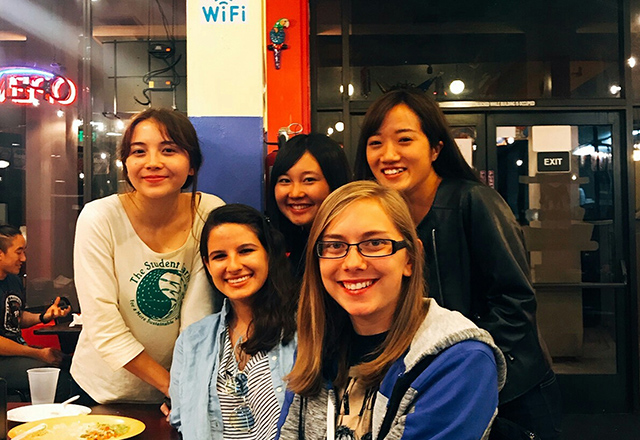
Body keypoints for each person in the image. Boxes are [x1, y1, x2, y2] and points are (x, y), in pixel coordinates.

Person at [354, 88, 561, 439]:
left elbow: (515, 303)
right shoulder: (379, 218)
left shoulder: (474, 202)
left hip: (507, 390)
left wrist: (461, 364)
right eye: (376, 143)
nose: (388, 155)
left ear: (436, 148)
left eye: (404, 140)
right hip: (425, 390)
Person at [277, 181, 506, 440]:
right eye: (335, 245)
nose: (352, 263)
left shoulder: (461, 361)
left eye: (374, 243)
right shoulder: (317, 344)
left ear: (410, 258)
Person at [71, 108, 224, 405]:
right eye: (138, 151)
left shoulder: (208, 212)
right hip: (102, 392)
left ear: (192, 164)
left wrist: (184, 387)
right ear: (126, 163)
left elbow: (198, 316)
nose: (153, 162)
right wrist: (173, 387)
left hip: (179, 389)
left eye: (169, 150)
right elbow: (102, 323)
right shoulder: (99, 217)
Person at [169, 204, 297, 440]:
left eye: (246, 251)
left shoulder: (305, 330)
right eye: (219, 256)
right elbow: (180, 419)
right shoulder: (192, 341)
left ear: (269, 254)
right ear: (207, 265)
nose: (234, 266)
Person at [0, 225, 71, 400]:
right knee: (59, 380)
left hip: (17, 352)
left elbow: (15, 316)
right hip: (3, 361)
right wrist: (38, 353)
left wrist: (44, 317)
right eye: (18, 252)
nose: (23, 258)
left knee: (72, 365)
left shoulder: (13, 280)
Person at [267, 133, 352, 279]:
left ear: (335, 183)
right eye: (285, 180)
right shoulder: (299, 245)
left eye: (308, 180)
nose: (295, 193)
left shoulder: (347, 249)